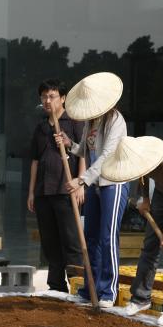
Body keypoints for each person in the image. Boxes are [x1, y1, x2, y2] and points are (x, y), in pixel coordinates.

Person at [103, 137, 163, 327]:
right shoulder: (142, 159)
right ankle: (140, 298)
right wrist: (145, 198)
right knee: (150, 245)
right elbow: (143, 175)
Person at [55, 72, 129, 308]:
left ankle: (108, 291)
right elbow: (88, 152)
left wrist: (82, 180)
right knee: (92, 237)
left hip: (113, 183)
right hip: (95, 184)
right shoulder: (91, 122)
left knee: (108, 237)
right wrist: (70, 145)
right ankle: (90, 289)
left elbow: (107, 156)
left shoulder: (116, 120)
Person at [27, 79, 85, 293]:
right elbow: (34, 160)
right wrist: (32, 192)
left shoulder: (74, 122)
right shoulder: (41, 127)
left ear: (63, 99)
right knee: (50, 242)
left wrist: (80, 183)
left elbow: (84, 155)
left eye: (51, 96)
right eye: (44, 97)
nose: (47, 101)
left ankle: (77, 287)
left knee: (71, 241)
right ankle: (56, 287)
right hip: (44, 191)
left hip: (67, 190)